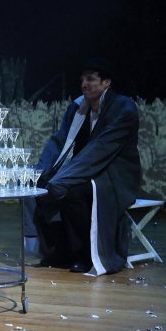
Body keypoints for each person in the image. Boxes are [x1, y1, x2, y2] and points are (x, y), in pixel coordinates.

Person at [26, 57, 141, 275]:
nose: (84, 84)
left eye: (90, 79)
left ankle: (84, 254)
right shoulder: (78, 107)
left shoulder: (123, 108)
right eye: (82, 80)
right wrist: (40, 172)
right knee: (38, 185)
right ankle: (60, 250)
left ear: (106, 82)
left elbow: (100, 149)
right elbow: (59, 141)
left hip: (113, 174)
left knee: (73, 192)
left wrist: (64, 179)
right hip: (83, 169)